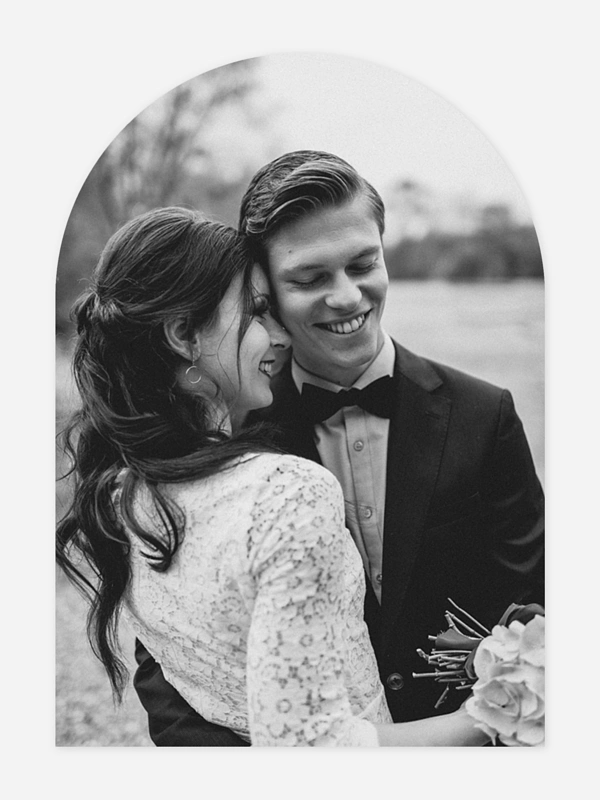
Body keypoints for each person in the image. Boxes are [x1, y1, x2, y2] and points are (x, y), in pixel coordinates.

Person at [133, 152, 545, 746]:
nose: (348, 296)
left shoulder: (486, 414)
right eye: (309, 279)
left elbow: (535, 596)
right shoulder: (228, 431)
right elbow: (174, 639)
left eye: (363, 264)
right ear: (265, 292)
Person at [56, 206, 489, 746]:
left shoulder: (120, 493)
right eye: (258, 312)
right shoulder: (286, 492)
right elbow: (313, 749)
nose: (281, 336)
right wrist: (488, 718)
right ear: (185, 335)